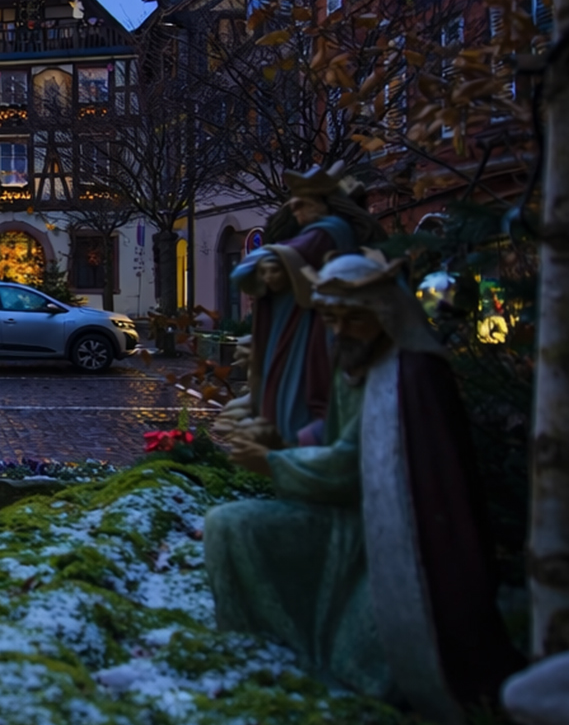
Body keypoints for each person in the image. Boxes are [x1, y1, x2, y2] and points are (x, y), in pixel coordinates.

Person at [205, 250, 522, 723]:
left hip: (397, 539)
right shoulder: (355, 358)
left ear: (383, 313)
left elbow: (357, 462)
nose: (340, 330)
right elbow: (339, 431)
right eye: (332, 319)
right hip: (345, 515)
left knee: (359, 654)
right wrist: (286, 441)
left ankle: (331, 666)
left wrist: (274, 462)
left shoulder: (412, 374)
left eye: (352, 318)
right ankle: (263, 647)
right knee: (230, 526)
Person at [225, 162, 384, 448]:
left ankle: (294, 437)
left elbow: (255, 266)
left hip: (312, 320)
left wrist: (265, 258)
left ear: (318, 204)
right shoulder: (326, 231)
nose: (295, 209)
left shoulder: (328, 231)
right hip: (307, 318)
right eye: (293, 204)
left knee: (303, 379)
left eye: (301, 204)